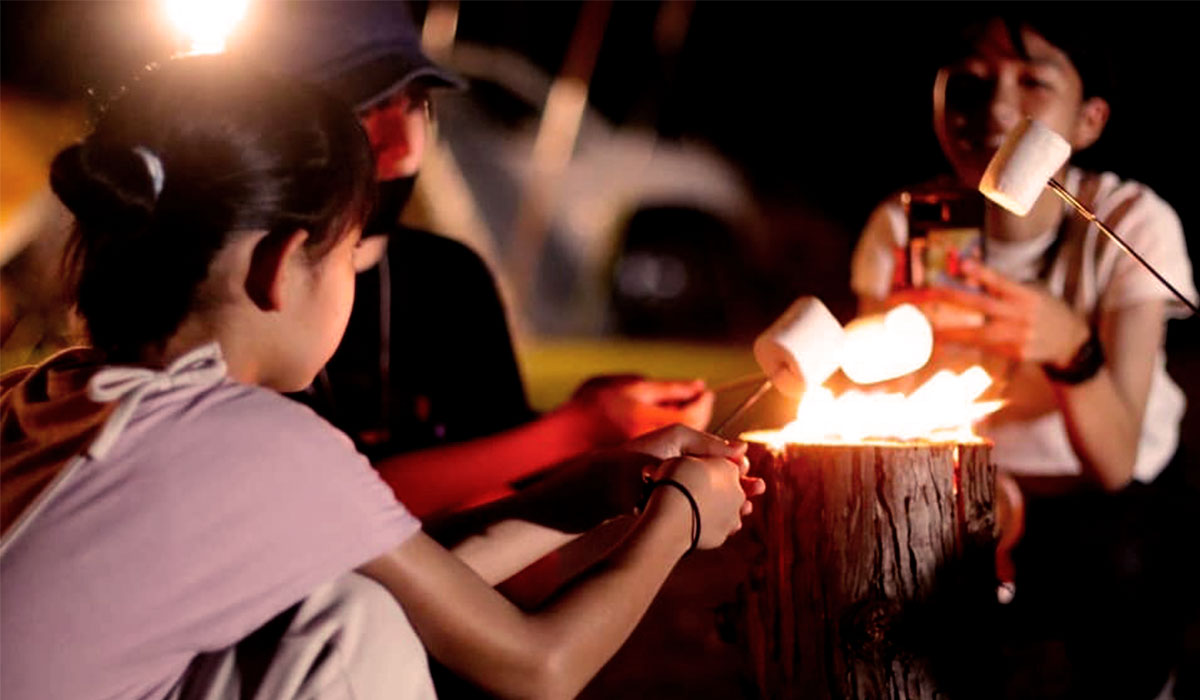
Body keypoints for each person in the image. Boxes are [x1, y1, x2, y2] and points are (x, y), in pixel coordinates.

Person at [0, 54, 763, 700]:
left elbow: (404, 569)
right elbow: (541, 665)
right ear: (279, 267)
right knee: (357, 634)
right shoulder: (253, 440)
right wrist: (681, 520)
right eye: (352, 252)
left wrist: (578, 497)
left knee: (352, 606)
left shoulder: (48, 393)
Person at [230, 2, 715, 520]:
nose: (400, 142)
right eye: (365, 108)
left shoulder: (451, 276)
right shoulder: (254, 291)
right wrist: (576, 429)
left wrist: (599, 423)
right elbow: (326, 511)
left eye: (414, 102)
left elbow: (505, 465)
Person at [850, 13, 1198, 698]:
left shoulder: (1129, 224)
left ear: (1091, 120)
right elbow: (881, 414)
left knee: (1116, 575)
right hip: (963, 491)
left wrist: (1070, 345)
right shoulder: (904, 225)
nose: (997, 107)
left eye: (1033, 80)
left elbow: (1116, 460)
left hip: (1111, 503)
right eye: (970, 80)